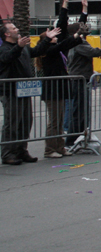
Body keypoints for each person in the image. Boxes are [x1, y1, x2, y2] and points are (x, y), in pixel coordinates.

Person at [0, 23, 58, 165]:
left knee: (25, 121)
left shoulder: (24, 48)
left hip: (24, 90)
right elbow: (7, 58)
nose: (17, 29)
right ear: (7, 34)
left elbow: (37, 51)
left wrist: (47, 39)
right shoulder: (4, 48)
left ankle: (21, 150)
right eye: (14, 28)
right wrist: (19, 47)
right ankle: (8, 153)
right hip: (11, 91)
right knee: (12, 123)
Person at [38, 0, 83, 158]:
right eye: (52, 35)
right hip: (52, 90)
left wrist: (65, 6)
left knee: (60, 119)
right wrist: (76, 35)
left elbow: (63, 27)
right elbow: (63, 41)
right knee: (54, 121)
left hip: (60, 88)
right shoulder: (48, 51)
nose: (55, 35)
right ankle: (50, 149)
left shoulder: (57, 50)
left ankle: (60, 146)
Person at [66, 13, 101, 147]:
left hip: (81, 78)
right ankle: (71, 140)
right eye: (82, 29)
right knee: (79, 111)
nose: (86, 30)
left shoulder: (78, 42)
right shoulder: (78, 43)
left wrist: (84, 11)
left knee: (83, 110)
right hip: (78, 79)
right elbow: (92, 51)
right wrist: (100, 52)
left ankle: (80, 136)